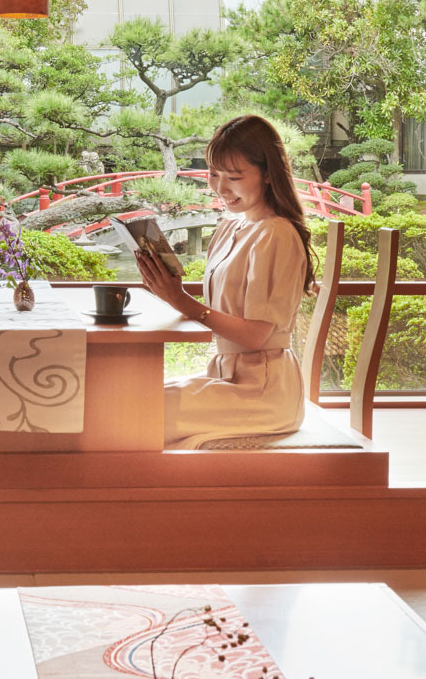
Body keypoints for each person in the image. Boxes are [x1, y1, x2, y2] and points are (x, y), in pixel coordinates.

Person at [135, 114, 316, 448]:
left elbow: (256, 335)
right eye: (213, 174)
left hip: (264, 393)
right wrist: (165, 286)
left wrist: (180, 301)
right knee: (128, 403)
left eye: (234, 176)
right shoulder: (230, 226)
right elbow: (220, 309)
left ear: (266, 174)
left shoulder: (277, 234)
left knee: (136, 417)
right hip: (224, 376)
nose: (220, 187)